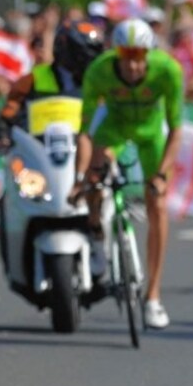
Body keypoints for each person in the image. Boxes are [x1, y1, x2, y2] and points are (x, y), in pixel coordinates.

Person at [0, 20, 106, 302]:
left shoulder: (98, 82)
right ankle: (16, 268)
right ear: (65, 51)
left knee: (109, 190)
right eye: (83, 55)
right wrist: (0, 131)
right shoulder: (34, 79)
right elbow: (9, 111)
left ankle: (112, 258)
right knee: (7, 198)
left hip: (80, 158)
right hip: (44, 160)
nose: (88, 62)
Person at [68, 18, 184, 329]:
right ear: (117, 54)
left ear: (148, 54)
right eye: (126, 56)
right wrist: (81, 177)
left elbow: (175, 130)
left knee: (157, 203)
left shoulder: (168, 70)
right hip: (114, 129)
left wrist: (160, 175)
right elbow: (84, 132)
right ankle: (94, 229)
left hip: (150, 135)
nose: (132, 65)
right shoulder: (100, 71)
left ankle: (154, 297)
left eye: (139, 56)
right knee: (96, 172)